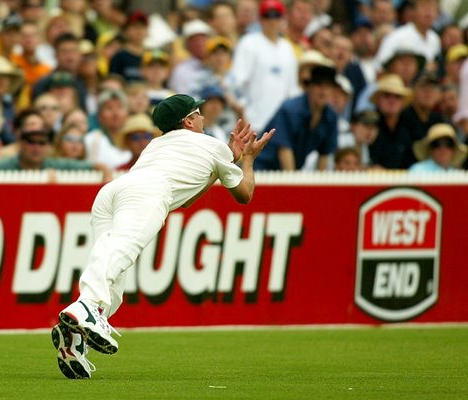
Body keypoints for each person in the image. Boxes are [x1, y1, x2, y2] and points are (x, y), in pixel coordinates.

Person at [51, 93, 274, 379]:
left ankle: (75, 339)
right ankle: (85, 308)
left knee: (114, 276)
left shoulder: (156, 145)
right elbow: (244, 194)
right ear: (189, 121)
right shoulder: (212, 145)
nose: (203, 118)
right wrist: (247, 160)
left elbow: (188, 198)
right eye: (198, 113)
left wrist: (227, 159)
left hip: (113, 191)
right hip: (149, 192)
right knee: (121, 251)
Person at [227, 0, 298, 132]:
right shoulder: (249, 42)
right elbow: (235, 83)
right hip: (253, 125)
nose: (272, 20)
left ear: (283, 18)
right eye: (267, 16)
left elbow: (292, 91)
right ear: (260, 19)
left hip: (281, 128)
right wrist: (243, 118)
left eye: (276, 16)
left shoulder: (288, 48)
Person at [254, 65, 338, 171]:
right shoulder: (290, 109)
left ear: (333, 90)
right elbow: (284, 150)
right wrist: (292, 184)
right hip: (261, 170)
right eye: (318, 85)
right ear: (309, 87)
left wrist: (320, 185)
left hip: (289, 173)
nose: (323, 91)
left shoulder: (330, 116)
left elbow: (324, 155)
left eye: (328, 86)